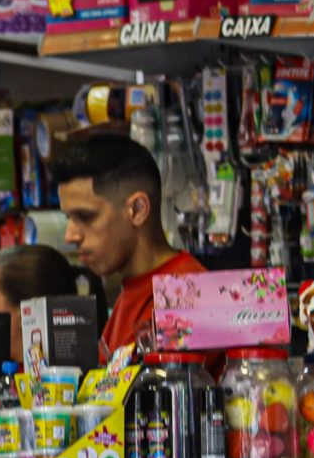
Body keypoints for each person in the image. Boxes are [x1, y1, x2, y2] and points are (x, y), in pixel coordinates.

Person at [51, 135, 203, 361]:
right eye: (68, 218)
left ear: (138, 209)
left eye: (86, 216)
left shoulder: (184, 295)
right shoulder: (133, 290)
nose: (70, 235)